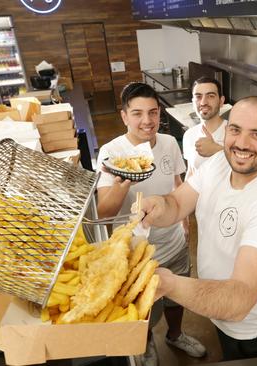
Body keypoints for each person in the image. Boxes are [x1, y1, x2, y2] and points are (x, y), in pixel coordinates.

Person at [138, 96, 257, 361]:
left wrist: (166, 283)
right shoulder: (219, 163)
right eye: (235, 130)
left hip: (251, 329)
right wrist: (158, 205)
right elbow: (178, 203)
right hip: (216, 306)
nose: (241, 143)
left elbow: (238, 302)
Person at [95, 82, 206, 366]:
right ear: (124, 116)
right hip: (135, 251)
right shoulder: (111, 152)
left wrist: (185, 221)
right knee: (140, 304)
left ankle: (176, 334)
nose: (147, 121)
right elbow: (105, 211)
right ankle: (145, 346)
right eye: (137, 114)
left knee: (176, 295)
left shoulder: (168, 142)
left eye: (153, 112)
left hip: (173, 242)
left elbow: (178, 183)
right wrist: (124, 182)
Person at [182, 76, 227, 180]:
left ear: (221, 101)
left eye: (210, 96)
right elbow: (191, 173)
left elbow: (251, 169)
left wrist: (217, 150)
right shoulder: (189, 135)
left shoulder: (234, 133)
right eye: (198, 96)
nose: (203, 102)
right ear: (192, 102)